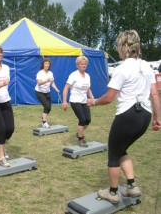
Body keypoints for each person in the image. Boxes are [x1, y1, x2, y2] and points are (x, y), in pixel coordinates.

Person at [86, 30, 160, 204]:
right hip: (145, 116)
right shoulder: (146, 66)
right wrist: (157, 118)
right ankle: (132, 186)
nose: (117, 49)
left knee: (113, 153)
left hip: (128, 115)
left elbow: (110, 97)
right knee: (121, 150)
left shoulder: (122, 68)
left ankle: (112, 192)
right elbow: (155, 94)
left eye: (118, 46)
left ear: (125, 46)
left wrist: (94, 102)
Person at [62, 56, 94, 147]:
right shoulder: (73, 75)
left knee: (88, 120)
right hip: (75, 101)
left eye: (85, 64)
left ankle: (78, 133)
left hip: (84, 101)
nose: (83, 65)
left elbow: (88, 89)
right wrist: (64, 102)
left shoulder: (87, 75)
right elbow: (66, 88)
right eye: (81, 64)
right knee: (82, 120)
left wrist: (92, 97)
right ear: (77, 65)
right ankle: (80, 138)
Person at [35, 58, 60, 128]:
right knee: (46, 106)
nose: (47, 65)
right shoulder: (40, 73)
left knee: (49, 108)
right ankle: (44, 122)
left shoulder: (50, 73)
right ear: (43, 65)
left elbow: (52, 83)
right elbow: (39, 83)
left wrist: (56, 89)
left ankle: (43, 118)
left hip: (47, 92)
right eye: (46, 63)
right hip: (39, 92)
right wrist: (45, 81)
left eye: (48, 64)